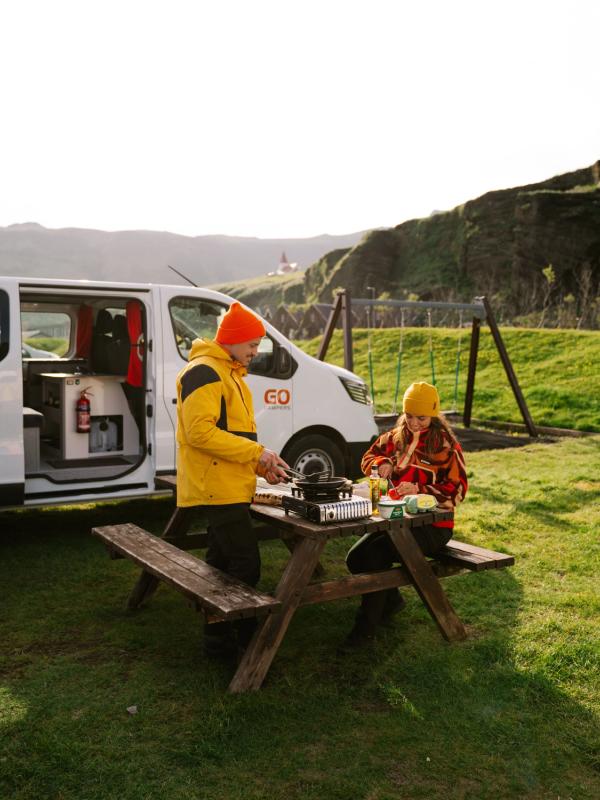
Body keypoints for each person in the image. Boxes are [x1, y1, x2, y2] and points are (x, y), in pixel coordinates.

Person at [176, 301, 289, 657]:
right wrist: (258, 455)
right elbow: (200, 434)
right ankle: (244, 639)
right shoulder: (205, 372)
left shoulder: (230, 374)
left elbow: (235, 437)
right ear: (234, 340)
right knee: (246, 565)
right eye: (253, 344)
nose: (256, 352)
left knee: (221, 565)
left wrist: (261, 463)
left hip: (229, 485)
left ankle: (218, 637)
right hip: (216, 489)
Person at [344, 381, 468, 647]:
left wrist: (421, 489)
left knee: (374, 557)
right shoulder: (394, 437)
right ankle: (392, 601)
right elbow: (368, 457)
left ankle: (365, 629)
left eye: (421, 418)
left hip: (434, 527)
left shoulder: (446, 447)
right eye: (409, 416)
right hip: (394, 521)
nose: (414, 423)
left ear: (433, 415)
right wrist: (382, 463)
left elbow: (458, 490)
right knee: (356, 558)